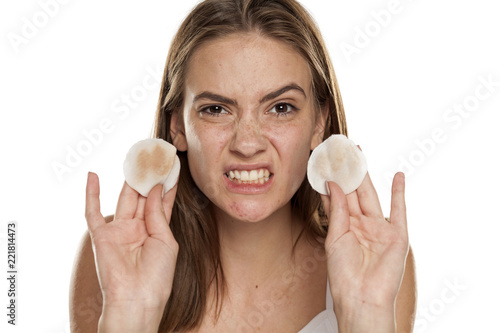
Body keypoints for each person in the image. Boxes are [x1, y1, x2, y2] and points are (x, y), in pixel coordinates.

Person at [70, 0, 416, 332]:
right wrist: (130, 315)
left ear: (319, 123)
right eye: (216, 109)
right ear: (177, 127)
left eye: (281, 108)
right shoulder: (120, 250)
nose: (247, 144)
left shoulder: (373, 254)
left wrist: (365, 318)